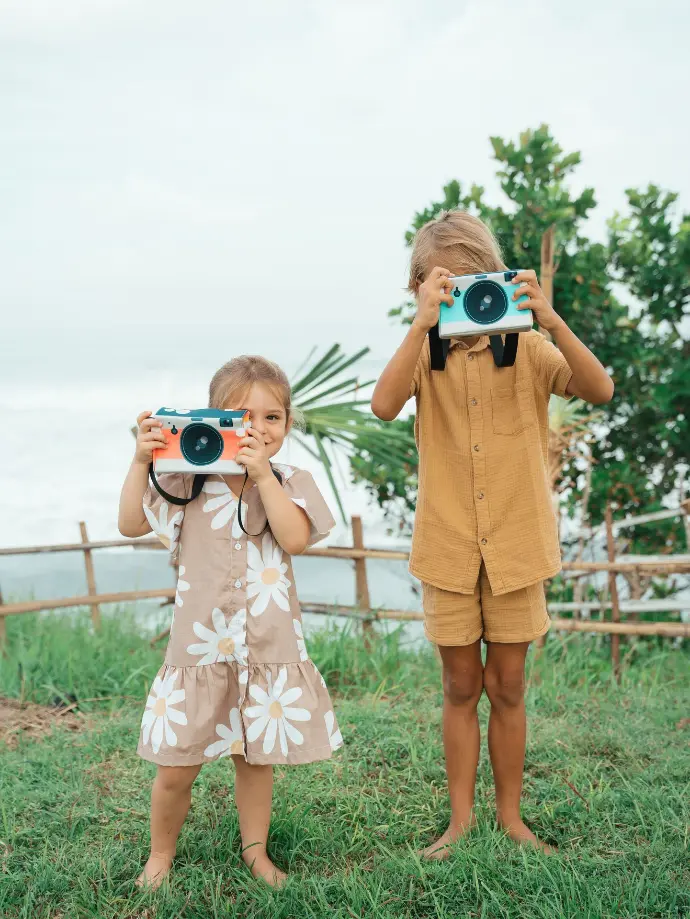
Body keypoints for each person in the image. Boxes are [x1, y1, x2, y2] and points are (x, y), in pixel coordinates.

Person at [371, 210, 614, 858]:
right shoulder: (424, 354)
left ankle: (511, 817)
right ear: (420, 288)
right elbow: (384, 404)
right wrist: (423, 326)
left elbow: (598, 386)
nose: (462, 296)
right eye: (443, 284)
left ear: (500, 281)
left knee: (507, 685)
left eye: (477, 283)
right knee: (459, 686)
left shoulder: (530, 350)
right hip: (450, 548)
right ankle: (460, 820)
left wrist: (551, 318)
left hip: (516, 545)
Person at [118, 355, 343, 888]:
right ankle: (160, 855)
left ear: (288, 424)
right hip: (200, 652)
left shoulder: (291, 480)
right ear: (213, 419)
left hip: (264, 648)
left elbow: (293, 538)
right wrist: (139, 461)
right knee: (176, 766)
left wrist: (263, 475)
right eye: (244, 416)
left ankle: (255, 853)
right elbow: (129, 524)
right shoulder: (185, 482)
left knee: (254, 759)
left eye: (273, 417)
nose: (260, 428)